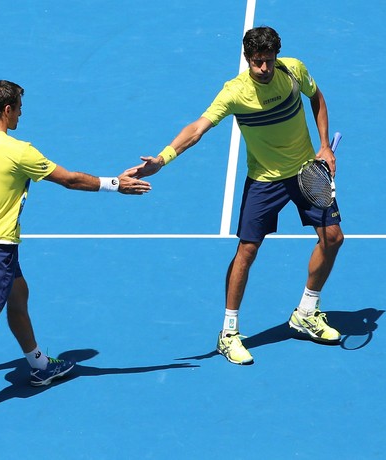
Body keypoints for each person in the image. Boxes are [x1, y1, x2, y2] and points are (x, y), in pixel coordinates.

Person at [0, 80, 152, 417]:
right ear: (7, 110)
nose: (22, 114)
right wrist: (115, 184)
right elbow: (69, 180)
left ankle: (39, 365)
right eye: (19, 108)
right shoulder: (20, 151)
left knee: (18, 295)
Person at [131, 26, 343, 365]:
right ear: (247, 59)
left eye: (268, 62)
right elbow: (197, 128)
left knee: (332, 238)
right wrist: (162, 158)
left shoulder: (293, 71)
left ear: (277, 57)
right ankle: (229, 333)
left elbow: (317, 98)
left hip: (306, 170)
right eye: (257, 62)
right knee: (247, 250)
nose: (263, 69)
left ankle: (306, 310)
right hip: (264, 179)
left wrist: (324, 146)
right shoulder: (234, 93)